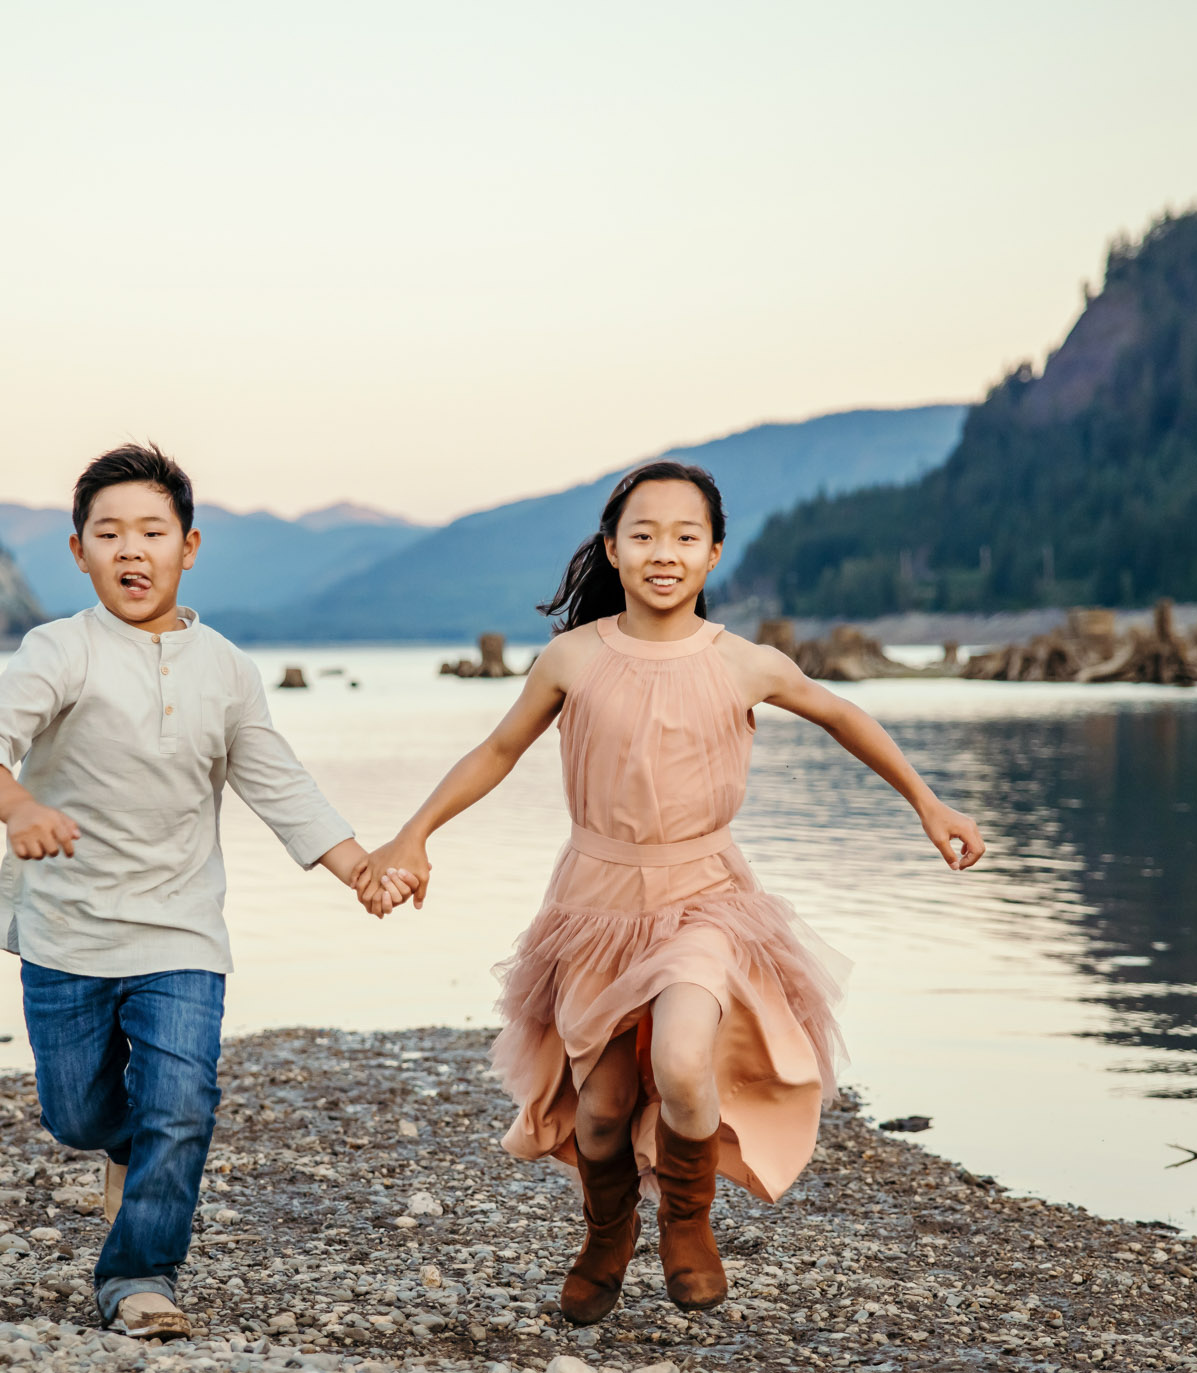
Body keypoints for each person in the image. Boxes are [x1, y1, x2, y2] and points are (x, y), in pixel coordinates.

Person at [358, 461, 984, 1323]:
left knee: (684, 1058)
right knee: (605, 1111)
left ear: (714, 552)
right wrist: (415, 831)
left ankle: (688, 1220)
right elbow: (498, 751)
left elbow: (842, 713)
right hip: (595, 904)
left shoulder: (745, 662)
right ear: (612, 550)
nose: (665, 551)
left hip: (706, 897)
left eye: (686, 536)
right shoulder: (573, 657)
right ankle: (608, 1230)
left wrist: (927, 800)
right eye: (644, 534)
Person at [0, 443, 412, 1339]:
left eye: (151, 531)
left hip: (182, 933)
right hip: (66, 929)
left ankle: (138, 1274)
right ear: (78, 550)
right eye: (109, 532)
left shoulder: (226, 668)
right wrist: (16, 806)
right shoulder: (61, 650)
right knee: (78, 1113)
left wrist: (359, 868)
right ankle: (129, 1143)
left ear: (188, 546)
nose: (132, 549)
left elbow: (278, 781)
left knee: (183, 1100)